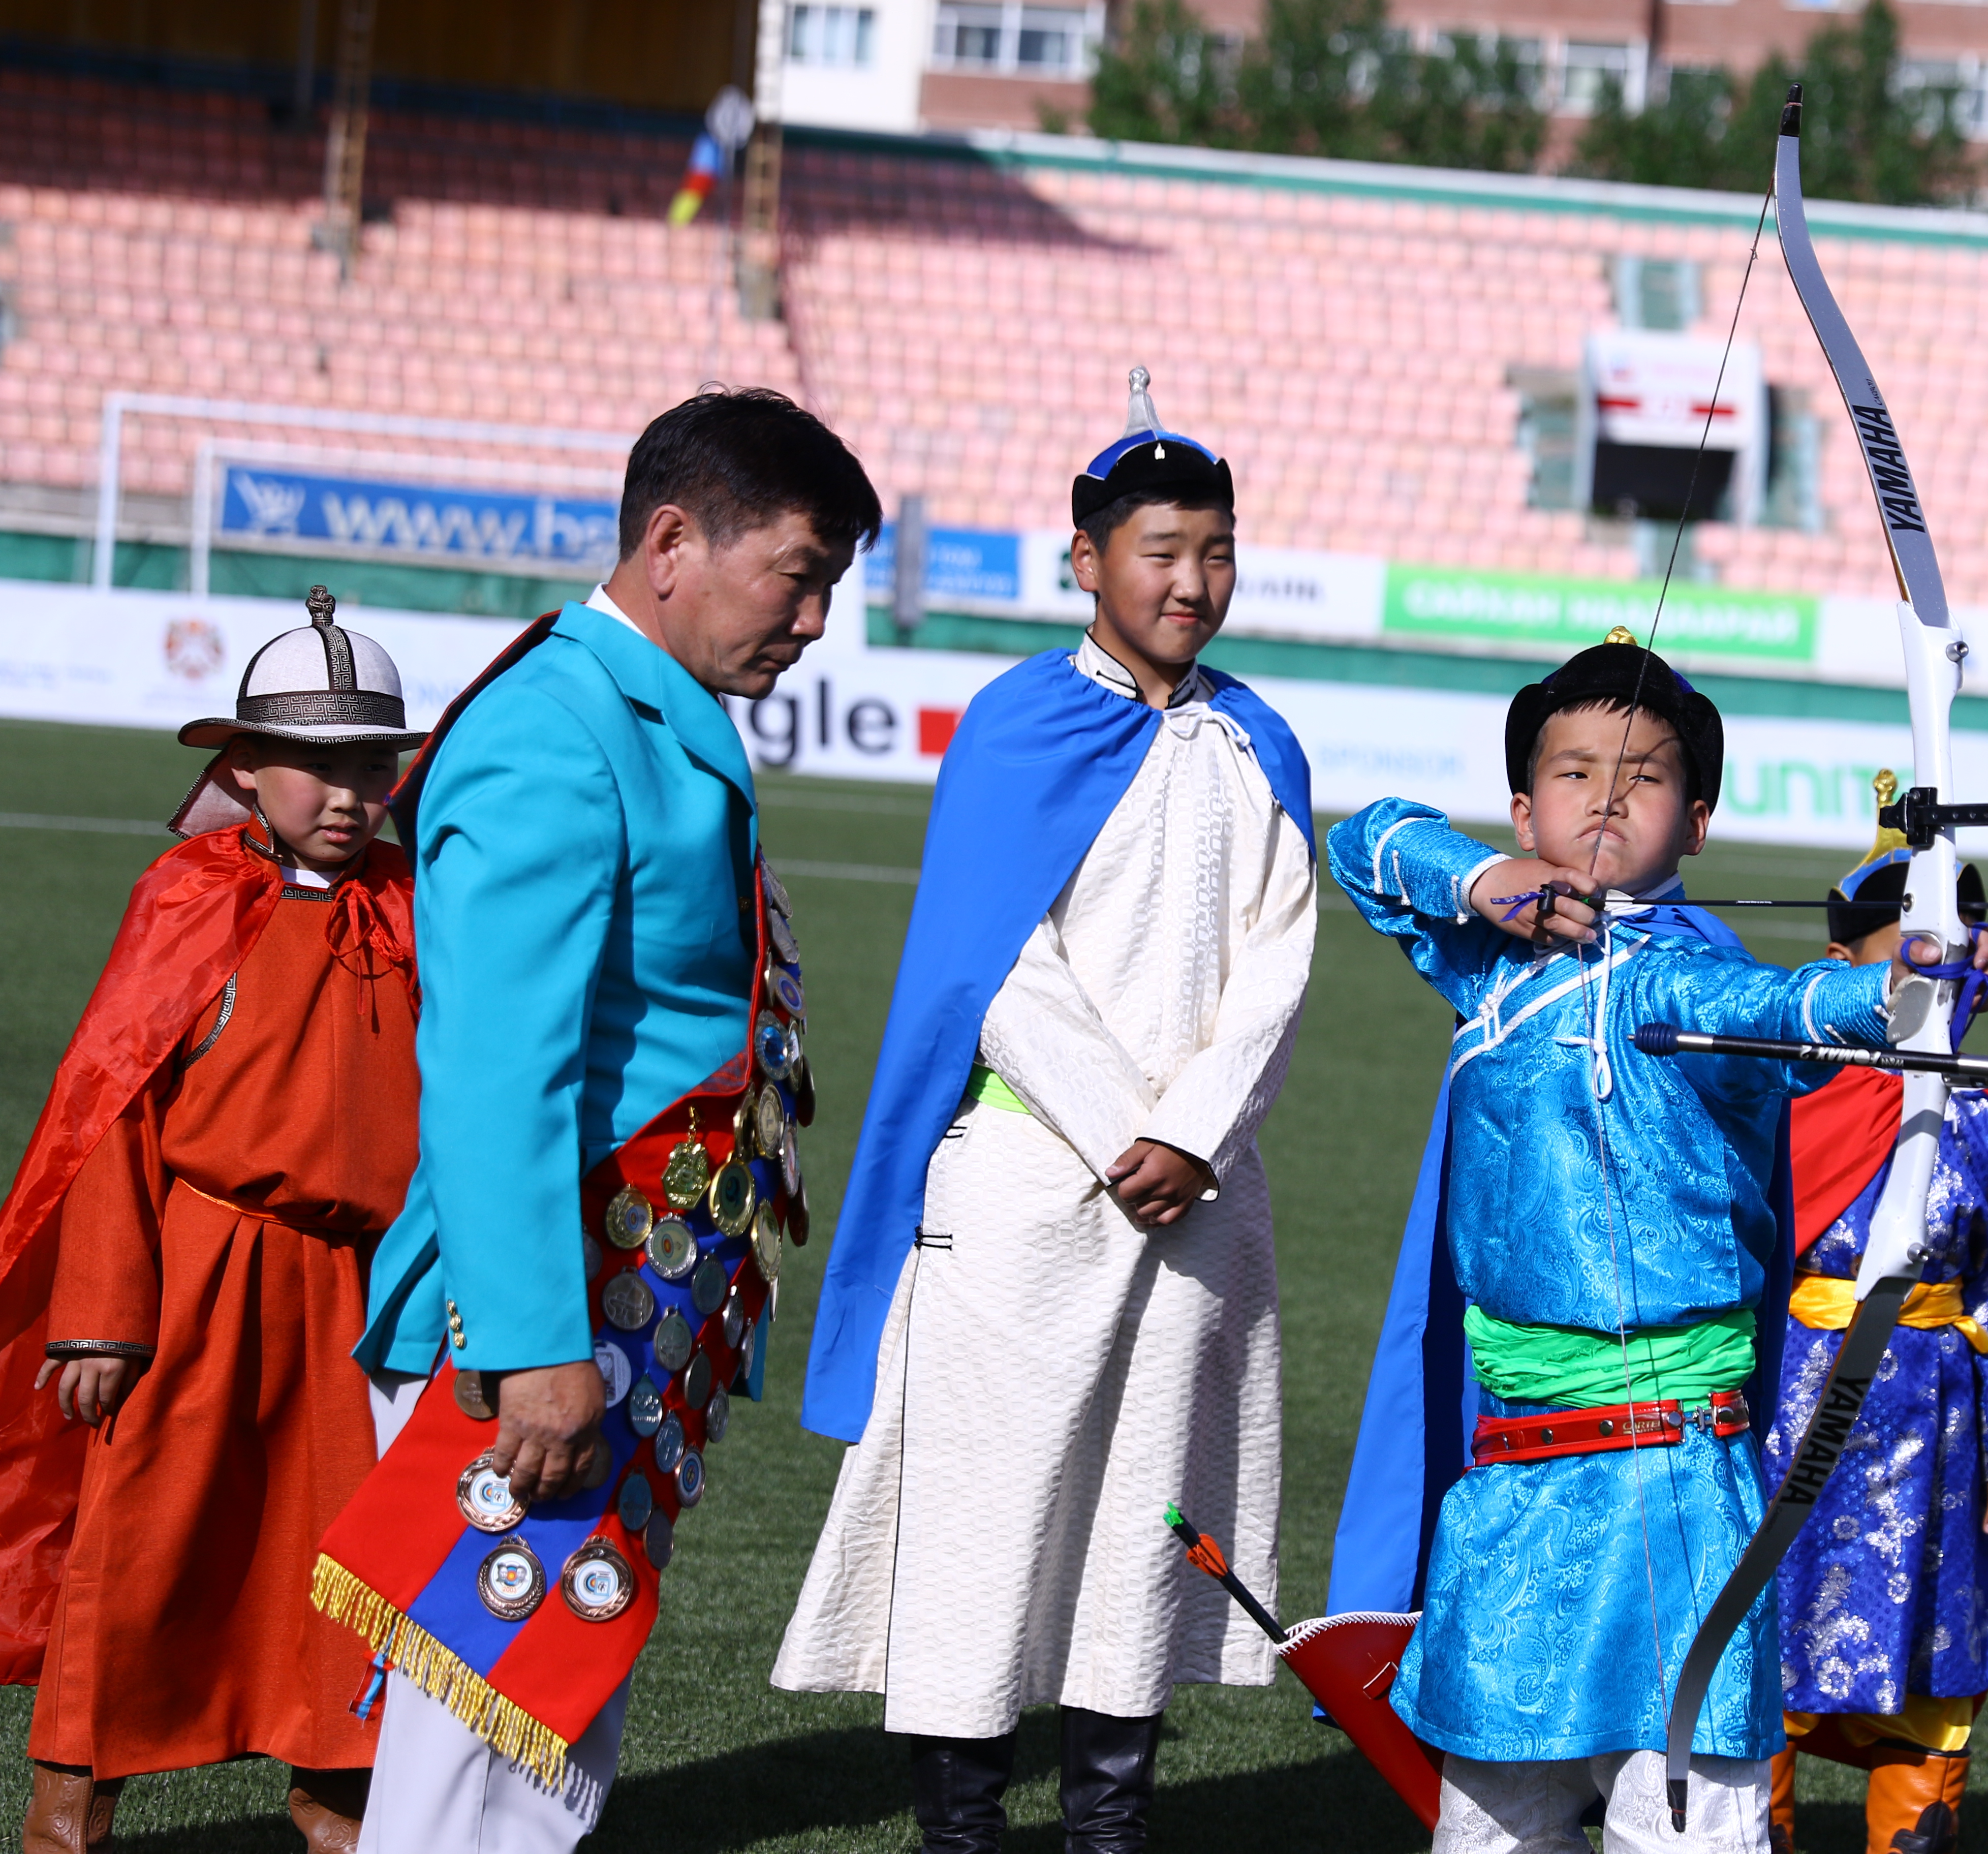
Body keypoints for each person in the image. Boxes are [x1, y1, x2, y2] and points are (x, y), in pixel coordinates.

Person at [322, 387, 877, 1854]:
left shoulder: (628, 706)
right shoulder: (557, 729)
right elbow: (502, 1077)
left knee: (543, 1734)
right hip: (539, 1322)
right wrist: (537, 1348)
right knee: (483, 1755)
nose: (815, 620)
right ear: (676, 541)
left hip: (611, 1304)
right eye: (801, 575)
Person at [1326, 638, 1985, 1853]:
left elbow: (1791, 1014)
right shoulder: (1489, 964)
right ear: (1526, 809)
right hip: (1518, 1478)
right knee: (1490, 1826)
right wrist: (1480, 882)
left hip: (1676, 1486)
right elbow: (1365, 840)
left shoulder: (1692, 980)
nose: (1609, 795)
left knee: (1686, 1826)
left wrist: (1908, 992)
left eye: (1646, 775)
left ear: (1699, 821)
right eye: (1574, 773)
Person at [778, 370, 1316, 1854]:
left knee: (1152, 1513)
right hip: (1027, 1181)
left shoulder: (1256, 741)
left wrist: (1193, 1132)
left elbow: (1280, 957)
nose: (1192, 581)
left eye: (1214, 550)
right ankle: (961, 1831)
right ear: (1088, 561)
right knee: (984, 1514)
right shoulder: (1019, 723)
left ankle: (1107, 1825)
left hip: (1200, 1197)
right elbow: (986, 960)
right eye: (1161, 550)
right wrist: (1118, 1126)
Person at [0, 590, 426, 1853]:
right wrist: (100, 1316)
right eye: (316, 765)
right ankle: (67, 1817)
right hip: (203, 1272)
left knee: (354, 1567)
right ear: (245, 767)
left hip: (365, 1293)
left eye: (373, 764)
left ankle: (336, 1809)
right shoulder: (188, 896)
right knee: (141, 1551)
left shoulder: (420, 905)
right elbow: (108, 1114)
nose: (348, 793)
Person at [1762, 844, 1988, 1854]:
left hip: (1934, 1436)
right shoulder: (1792, 1095)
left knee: (1933, 1667)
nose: (1946, 969)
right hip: (1792, 1411)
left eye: (1963, 944)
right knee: (1760, 1644)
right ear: (1844, 961)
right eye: (1914, 949)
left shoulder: (1983, 1115)